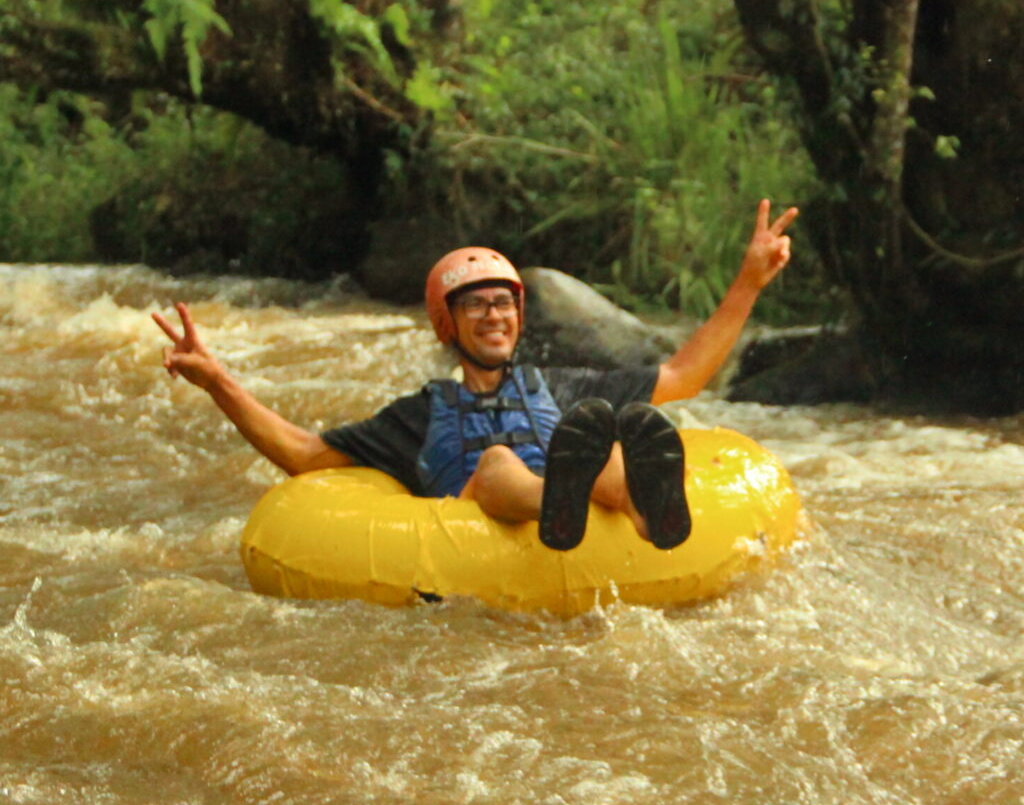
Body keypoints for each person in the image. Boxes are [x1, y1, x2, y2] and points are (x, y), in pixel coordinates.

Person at [152, 198, 797, 551]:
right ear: (448, 325)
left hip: (575, 500)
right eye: (476, 304)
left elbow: (684, 375)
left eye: (505, 302)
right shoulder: (419, 413)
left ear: (519, 316)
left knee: (607, 441)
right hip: (481, 508)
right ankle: (563, 504)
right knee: (495, 463)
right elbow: (301, 454)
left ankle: (646, 512)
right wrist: (218, 383)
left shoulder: (560, 386)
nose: (494, 315)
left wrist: (747, 282)